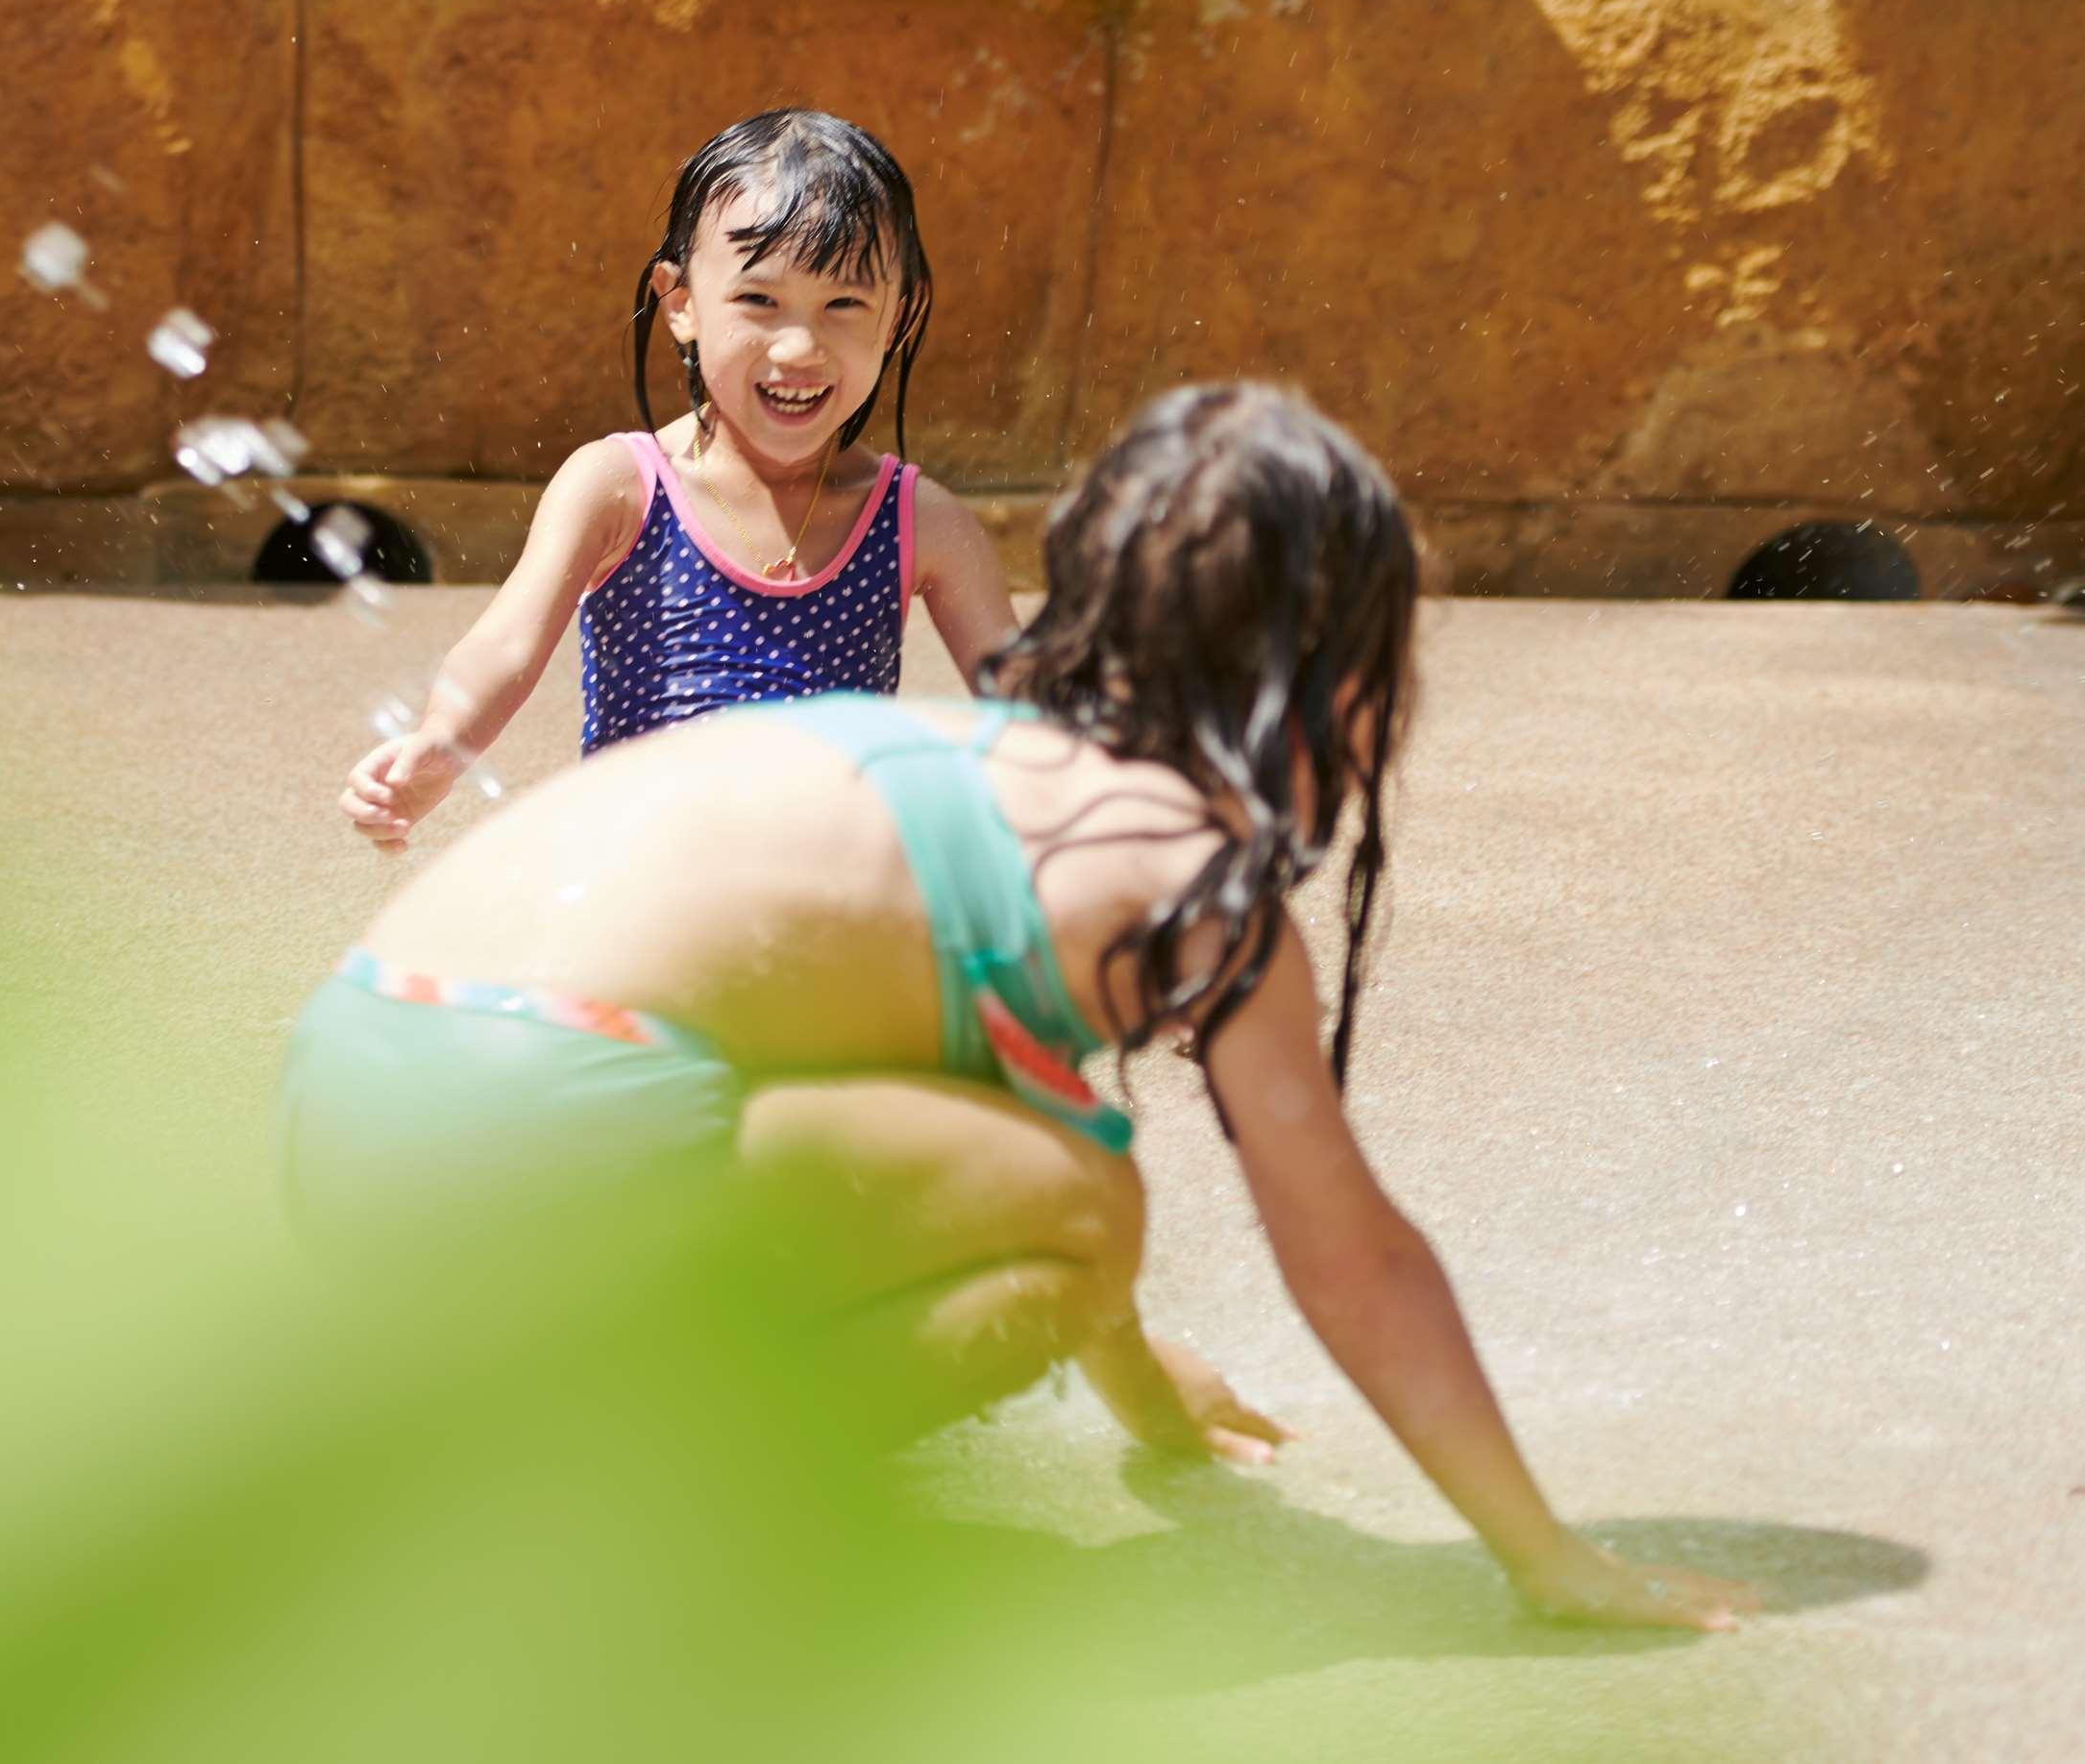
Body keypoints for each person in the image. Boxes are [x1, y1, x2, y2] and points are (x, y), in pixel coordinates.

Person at [280, 383, 1757, 1632]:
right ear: (1341, 679)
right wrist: (1545, 1560)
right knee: (1087, 1209)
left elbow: (963, 1122)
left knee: (1053, 1193)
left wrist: (1138, 1382)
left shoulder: (971, 766)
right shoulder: (1181, 881)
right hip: (549, 1108)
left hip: (361, 1070)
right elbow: (1347, 1252)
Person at [340, 109, 1018, 850]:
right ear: (680, 302)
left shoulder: (917, 519)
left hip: (826, 885)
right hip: (644, 876)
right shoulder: (620, 488)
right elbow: (505, 644)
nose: (799, 346)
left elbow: (1023, 708)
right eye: (758, 300)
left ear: (897, 316)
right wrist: (443, 742)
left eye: (844, 305)